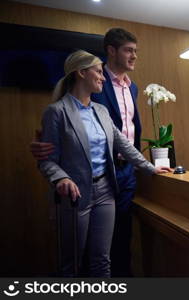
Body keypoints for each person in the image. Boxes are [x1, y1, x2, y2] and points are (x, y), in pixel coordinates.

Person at [38, 50, 171, 277]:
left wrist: (150, 167)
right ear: (81, 72)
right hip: (75, 195)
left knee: (102, 259)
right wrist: (61, 177)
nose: (102, 77)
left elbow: (124, 146)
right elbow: (47, 160)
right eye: (98, 72)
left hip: (105, 192)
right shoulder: (56, 112)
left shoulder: (101, 110)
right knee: (72, 263)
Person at [31, 28, 143, 276]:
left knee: (110, 250)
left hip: (114, 180)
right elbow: (51, 151)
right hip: (78, 187)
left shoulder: (128, 90)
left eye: (136, 51)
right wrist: (58, 173)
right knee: (74, 260)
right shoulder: (63, 107)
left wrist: (148, 166)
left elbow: (124, 140)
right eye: (129, 50)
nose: (134, 56)